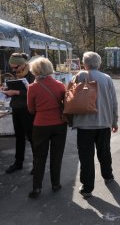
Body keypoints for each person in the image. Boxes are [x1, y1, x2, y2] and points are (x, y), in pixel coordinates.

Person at [72, 51, 118, 198]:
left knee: (86, 156)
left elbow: (70, 96)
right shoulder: (107, 78)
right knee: (104, 151)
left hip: (84, 124)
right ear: (99, 63)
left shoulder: (79, 76)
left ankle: (87, 187)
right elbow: (113, 102)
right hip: (104, 122)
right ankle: (108, 175)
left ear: (84, 63)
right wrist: (114, 120)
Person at [27, 57, 67, 198]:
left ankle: (37, 187)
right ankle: (55, 184)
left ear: (35, 71)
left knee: (39, 157)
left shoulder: (32, 87)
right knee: (57, 156)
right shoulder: (60, 85)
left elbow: (31, 109)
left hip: (40, 125)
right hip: (59, 124)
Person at [3, 53, 35, 174]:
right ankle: (18, 162)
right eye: (12, 67)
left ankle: (36, 163)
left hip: (27, 110)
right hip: (16, 108)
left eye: (16, 67)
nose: (13, 69)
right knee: (19, 137)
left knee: (31, 137)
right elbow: (14, 90)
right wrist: (6, 91)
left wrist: (16, 92)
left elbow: (33, 93)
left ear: (23, 64)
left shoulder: (32, 75)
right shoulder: (17, 74)